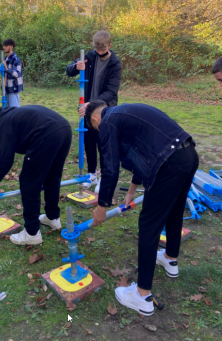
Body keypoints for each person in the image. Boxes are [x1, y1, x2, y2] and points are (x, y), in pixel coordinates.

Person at [85, 100, 199, 316]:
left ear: (94, 120)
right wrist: (131, 191)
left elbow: (110, 167)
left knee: (149, 224)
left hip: (169, 164)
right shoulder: (125, 112)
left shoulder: (107, 122)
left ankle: (142, 295)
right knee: (174, 211)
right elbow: (142, 153)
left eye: (96, 130)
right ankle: (170, 259)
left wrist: (102, 206)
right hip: (188, 155)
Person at [0, 105, 72, 245]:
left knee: (28, 182)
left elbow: (5, 159)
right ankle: (53, 218)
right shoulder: (14, 114)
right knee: (52, 176)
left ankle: (32, 233)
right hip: (64, 128)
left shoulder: (1, 123)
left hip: (45, 133)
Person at [66, 30, 122, 193]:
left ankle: (104, 176)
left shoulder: (115, 64)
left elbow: (112, 91)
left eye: (103, 50)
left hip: (105, 109)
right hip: (87, 109)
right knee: (89, 142)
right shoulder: (89, 56)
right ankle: (91, 175)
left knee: (103, 143)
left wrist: (93, 104)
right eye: (97, 50)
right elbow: (68, 70)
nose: (99, 53)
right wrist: (76, 66)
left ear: (109, 46)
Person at [2, 38, 23, 107]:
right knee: (7, 111)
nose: (3, 47)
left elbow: (17, 73)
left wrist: (7, 69)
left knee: (14, 110)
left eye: (6, 46)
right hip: (6, 89)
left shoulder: (15, 59)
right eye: (3, 45)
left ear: (11, 47)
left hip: (14, 89)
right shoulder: (5, 59)